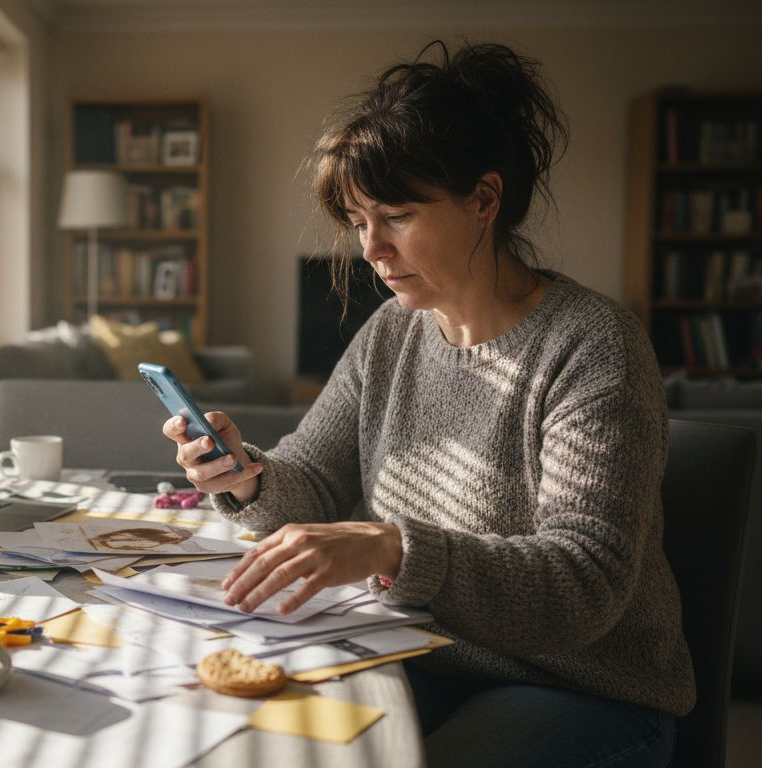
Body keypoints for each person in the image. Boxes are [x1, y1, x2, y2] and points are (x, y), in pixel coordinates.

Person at [162, 41, 693, 768]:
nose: (372, 248)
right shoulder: (393, 332)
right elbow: (313, 480)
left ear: (484, 199)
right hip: (416, 655)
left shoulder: (594, 345)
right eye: (356, 221)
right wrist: (247, 476)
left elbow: (583, 585)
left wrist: (392, 546)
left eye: (397, 215)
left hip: (579, 689)